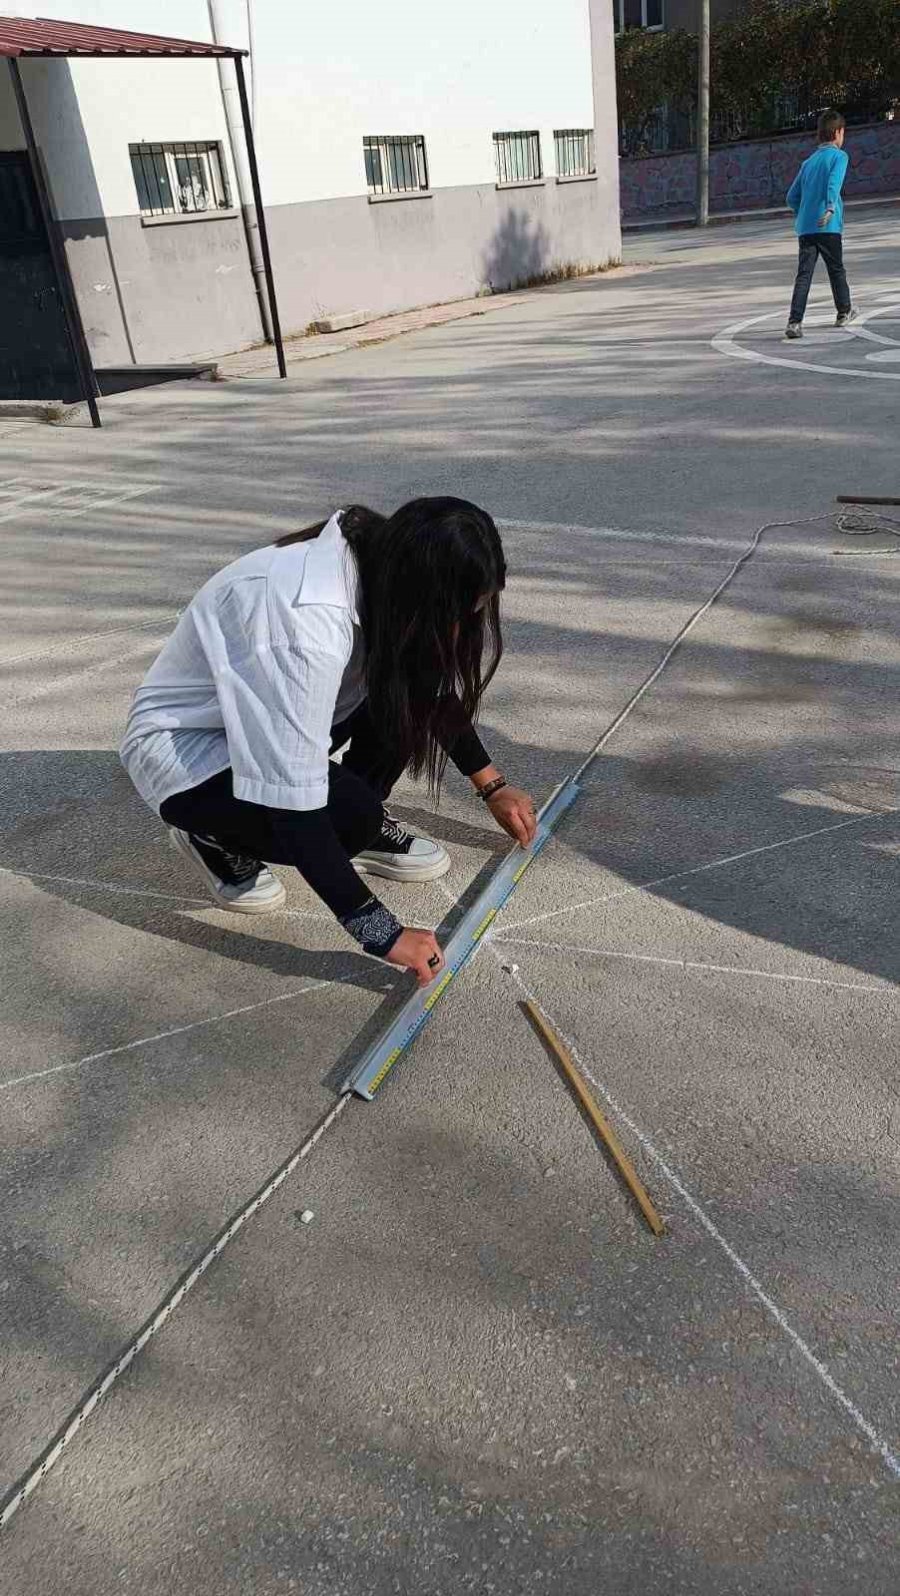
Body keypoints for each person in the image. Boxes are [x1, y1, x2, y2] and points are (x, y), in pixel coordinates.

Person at [121, 498, 537, 988]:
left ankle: (352, 827)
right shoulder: (305, 628)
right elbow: (294, 804)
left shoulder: (382, 561)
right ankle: (211, 834)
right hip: (190, 755)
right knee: (348, 819)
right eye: (458, 611)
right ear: (421, 590)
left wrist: (492, 786)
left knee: (398, 700)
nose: (461, 626)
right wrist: (382, 933)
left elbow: (426, 686)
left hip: (263, 722)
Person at [785, 109, 856, 340]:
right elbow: (834, 183)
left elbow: (791, 197)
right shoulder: (839, 157)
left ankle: (794, 322)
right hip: (828, 226)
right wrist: (830, 207)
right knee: (836, 269)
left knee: (804, 275)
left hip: (806, 228)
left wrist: (803, 213)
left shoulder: (808, 162)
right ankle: (843, 312)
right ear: (838, 132)